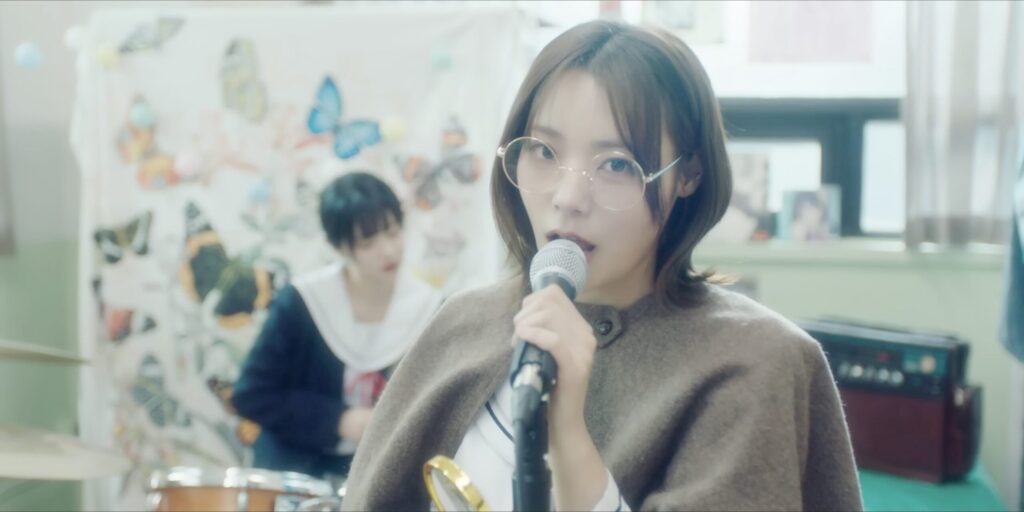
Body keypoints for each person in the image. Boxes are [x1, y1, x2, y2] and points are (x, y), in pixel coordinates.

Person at [342, 20, 862, 511]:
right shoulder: (464, 320)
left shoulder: (751, 360)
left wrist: (568, 433)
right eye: (543, 151)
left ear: (688, 175)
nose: (568, 198)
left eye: (616, 164)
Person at [231, 171, 442, 479]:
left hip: (381, 473)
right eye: (368, 242)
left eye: (393, 232)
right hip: (298, 471)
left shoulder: (429, 308)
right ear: (339, 246)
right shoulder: (303, 302)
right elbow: (251, 394)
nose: (388, 251)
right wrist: (340, 421)